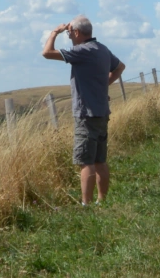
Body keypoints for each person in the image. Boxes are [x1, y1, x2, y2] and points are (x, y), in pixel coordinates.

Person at [42, 15, 126, 204]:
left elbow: (47, 53)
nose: (68, 34)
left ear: (77, 32)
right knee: (100, 160)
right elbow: (120, 67)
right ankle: (102, 201)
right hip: (102, 112)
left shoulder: (81, 51)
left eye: (69, 31)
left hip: (85, 114)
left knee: (86, 161)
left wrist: (55, 32)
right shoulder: (102, 49)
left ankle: (86, 204)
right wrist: (105, 85)